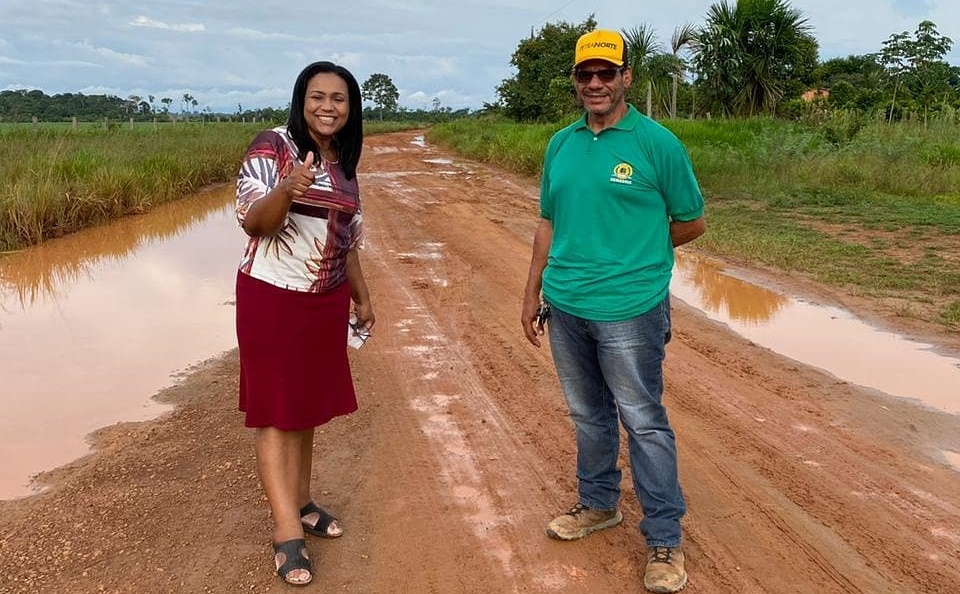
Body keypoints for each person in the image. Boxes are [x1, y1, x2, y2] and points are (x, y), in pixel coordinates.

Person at [521, 28, 706, 594]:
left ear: (627, 76)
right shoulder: (561, 144)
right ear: (576, 82)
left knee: (643, 420)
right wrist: (531, 291)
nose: (596, 83)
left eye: (607, 72)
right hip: (566, 304)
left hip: (631, 309)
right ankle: (598, 504)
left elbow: (691, 220)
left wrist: (638, 257)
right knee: (587, 416)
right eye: (585, 74)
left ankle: (665, 537)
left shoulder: (657, 144)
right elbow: (549, 222)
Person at [234, 60, 375, 587]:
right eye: (317, 97)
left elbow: (346, 239)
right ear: (301, 99)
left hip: (325, 301)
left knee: (308, 408)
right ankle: (286, 532)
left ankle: (302, 499)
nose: (327, 107)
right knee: (275, 412)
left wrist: (361, 297)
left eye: (339, 99)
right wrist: (289, 187)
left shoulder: (345, 162)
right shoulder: (273, 146)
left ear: (351, 108)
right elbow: (255, 223)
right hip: (271, 295)